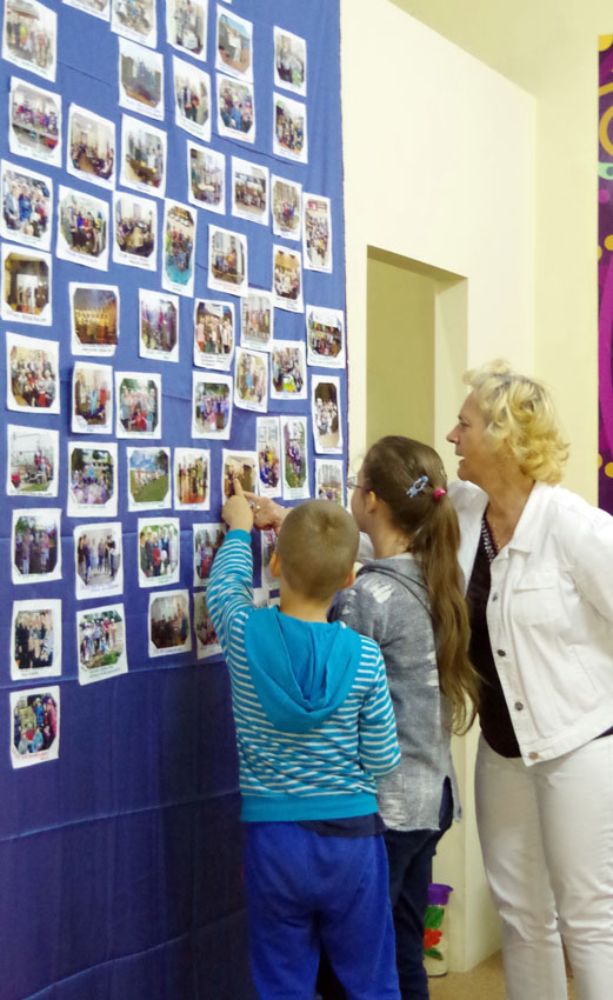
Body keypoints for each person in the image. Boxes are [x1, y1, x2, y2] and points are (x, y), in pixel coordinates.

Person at [247, 438, 479, 1000]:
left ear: (370, 501)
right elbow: (353, 561)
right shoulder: (435, 571)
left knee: (347, 967)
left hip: (386, 808)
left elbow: (330, 682)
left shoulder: (367, 598)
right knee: (403, 951)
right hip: (432, 797)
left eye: (354, 487)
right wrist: (289, 519)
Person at [446, 359, 613, 1000]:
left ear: (503, 437)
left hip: (578, 743)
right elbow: (390, 540)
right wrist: (291, 521)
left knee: (588, 919)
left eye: (464, 424)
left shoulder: (574, 527)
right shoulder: (463, 511)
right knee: (521, 915)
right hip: (502, 747)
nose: (453, 435)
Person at [207, 479, 402, 1000]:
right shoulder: (365, 657)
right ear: (348, 578)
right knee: (371, 978)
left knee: (282, 980)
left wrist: (239, 530)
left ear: (275, 565)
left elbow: (223, 590)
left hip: (274, 840)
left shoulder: (243, 635)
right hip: (353, 840)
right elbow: (383, 757)